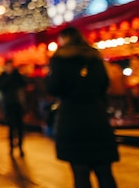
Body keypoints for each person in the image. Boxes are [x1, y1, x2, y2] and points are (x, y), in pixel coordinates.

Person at [45, 26, 119, 188]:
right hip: (96, 116)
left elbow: (53, 88)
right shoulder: (94, 56)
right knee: (104, 170)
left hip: (72, 119)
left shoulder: (60, 58)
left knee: (80, 171)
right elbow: (104, 85)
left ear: (64, 39)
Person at [0, 58, 27, 156]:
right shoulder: (3, 77)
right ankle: (11, 147)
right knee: (11, 126)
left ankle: (21, 146)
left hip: (18, 103)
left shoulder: (17, 76)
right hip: (8, 104)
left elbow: (24, 84)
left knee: (20, 126)